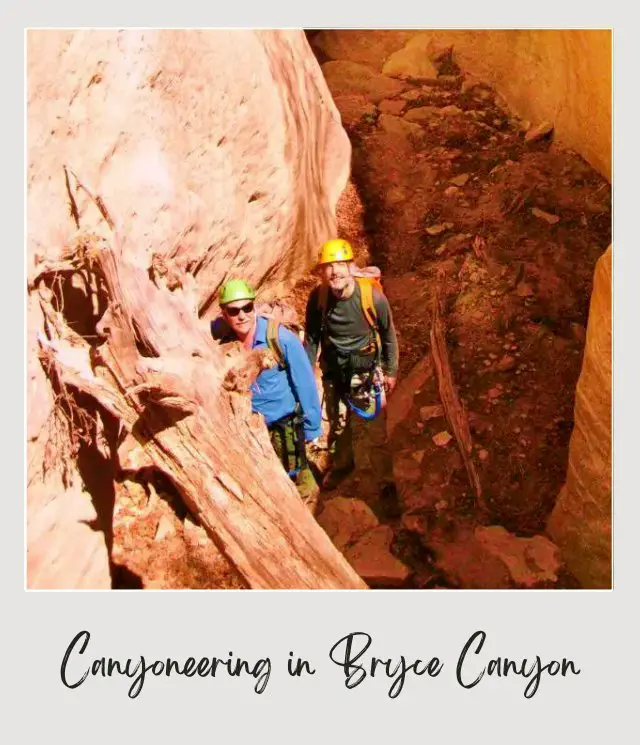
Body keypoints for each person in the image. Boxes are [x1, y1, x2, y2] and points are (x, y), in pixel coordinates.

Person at [304, 239, 401, 514]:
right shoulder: (318, 298)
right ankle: (342, 465)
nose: (334, 272)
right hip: (335, 374)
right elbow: (311, 339)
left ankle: (385, 485)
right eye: (328, 267)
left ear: (350, 267)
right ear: (322, 272)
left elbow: (389, 335)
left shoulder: (373, 298)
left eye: (339, 265)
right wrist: (307, 372)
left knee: (375, 433)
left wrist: (390, 371)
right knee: (338, 425)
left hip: (367, 374)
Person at [211, 279, 322, 510]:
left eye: (247, 308)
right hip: (250, 431)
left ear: (254, 306)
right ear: (224, 314)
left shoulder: (280, 338)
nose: (241, 315)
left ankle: (310, 521)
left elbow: (305, 383)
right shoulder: (224, 344)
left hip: (285, 426)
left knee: (301, 482)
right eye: (234, 311)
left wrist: (312, 427)